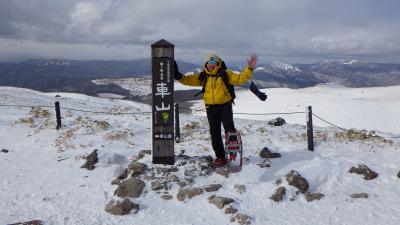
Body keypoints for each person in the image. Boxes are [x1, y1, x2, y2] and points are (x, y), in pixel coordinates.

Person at [174, 54, 258, 167]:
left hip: (225, 106)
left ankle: (233, 155)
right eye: (209, 63)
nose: (211, 66)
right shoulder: (203, 76)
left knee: (230, 131)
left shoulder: (225, 74)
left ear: (218, 64)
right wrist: (177, 75)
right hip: (210, 107)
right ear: (206, 64)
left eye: (213, 63)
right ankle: (220, 157)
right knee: (214, 133)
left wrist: (250, 69)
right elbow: (188, 80)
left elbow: (240, 78)